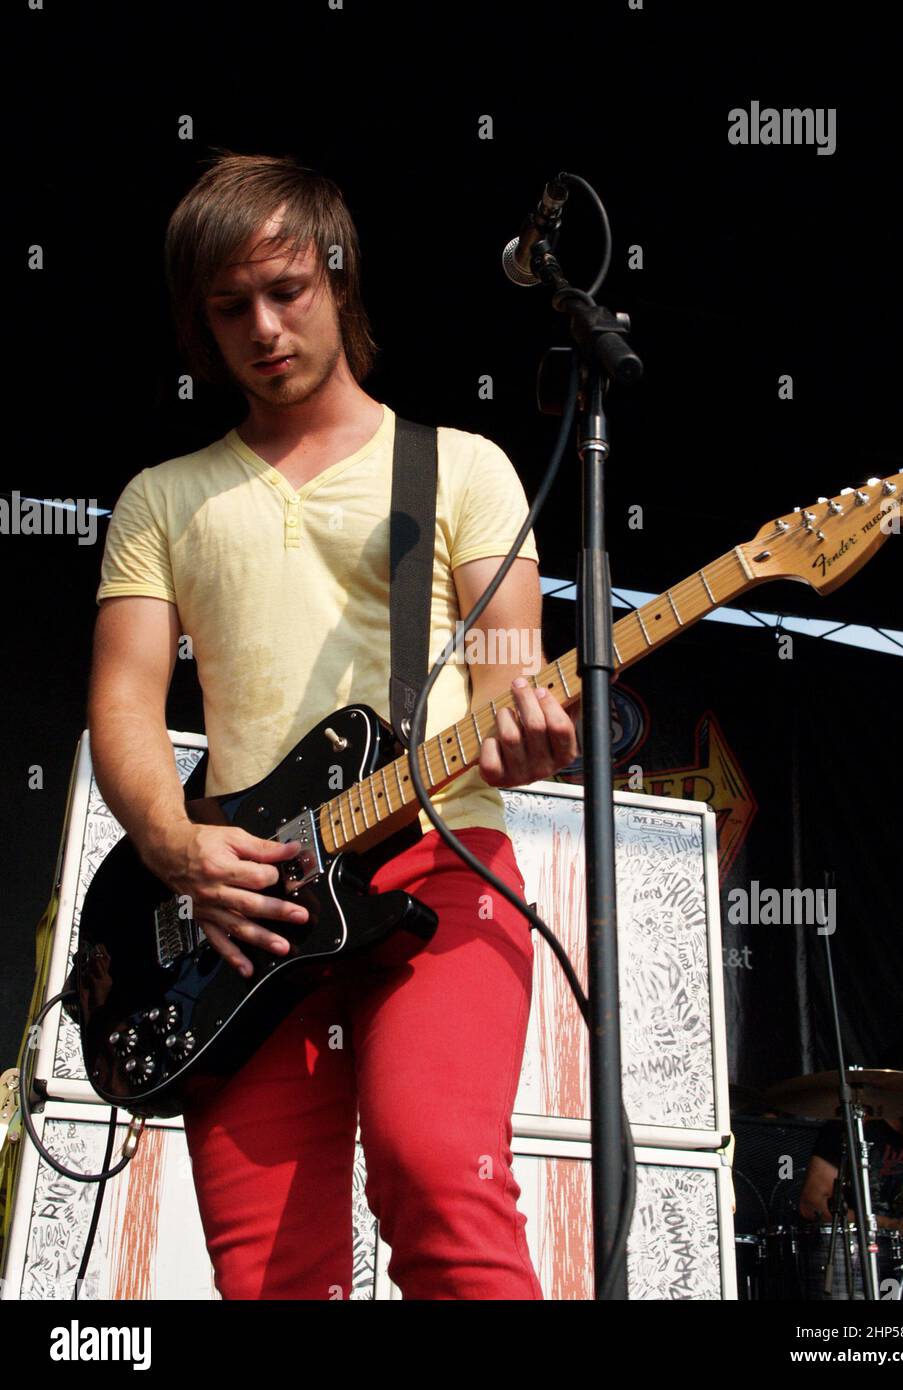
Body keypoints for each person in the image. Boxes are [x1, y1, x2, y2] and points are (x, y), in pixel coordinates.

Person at [87, 152, 579, 1300]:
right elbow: (123, 699)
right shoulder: (162, 499)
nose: (262, 327)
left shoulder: (465, 467)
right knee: (269, 1272)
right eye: (229, 307)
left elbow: (512, 672)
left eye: (288, 290)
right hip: (240, 901)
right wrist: (174, 846)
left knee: (439, 1179)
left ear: (340, 278)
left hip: (438, 856)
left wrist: (530, 729)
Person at [798, 1044, 903, 1240]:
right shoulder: (853, 1129)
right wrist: (887, 1225)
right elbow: (812, 1205)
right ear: (897, 1087)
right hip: (860, 1255)